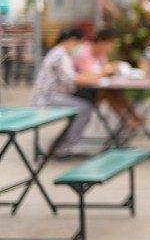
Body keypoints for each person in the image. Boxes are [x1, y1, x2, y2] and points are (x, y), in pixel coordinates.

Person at [31, 28, 103, 156]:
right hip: (47, 97)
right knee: (84, 107)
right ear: (72, 41)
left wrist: (92, 76)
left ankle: (64, 143)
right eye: (79, 43)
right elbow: (72, 80)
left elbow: (72, 77)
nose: (79, 47)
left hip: (53, 95)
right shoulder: (60, 55)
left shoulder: (60, 53)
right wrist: (99, 75)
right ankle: (69, 145)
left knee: (85, 104)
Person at [73, 29, 143, 129]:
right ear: (101, 41)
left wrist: (112, 69)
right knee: (109, 91)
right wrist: (106, 71)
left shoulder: (101, 54)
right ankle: (130, 119)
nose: (112, 47)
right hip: (80, 91)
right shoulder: (84, 52)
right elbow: (88, 78)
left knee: (114, 91)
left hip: (96, 88)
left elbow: (104, 71)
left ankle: (130, 119)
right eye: (111, 43)